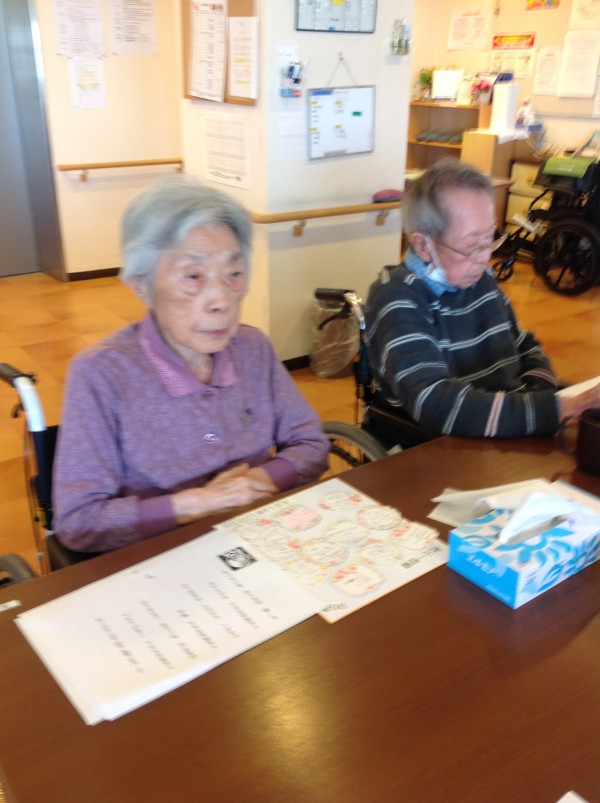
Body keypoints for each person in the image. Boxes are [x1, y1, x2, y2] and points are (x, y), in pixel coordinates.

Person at [53, 175, 329, 552]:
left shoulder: (252, 348)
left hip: (259, 541)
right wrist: (195, 504)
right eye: (193, 277)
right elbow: (79, 521)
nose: (221, 300)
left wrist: (256, 482)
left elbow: (311, 443)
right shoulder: (101, 373)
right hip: (160, 561)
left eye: (234, 274)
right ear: (141, 285)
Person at [365, 158, 600, 439]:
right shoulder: (396, 297)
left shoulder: (479, 278)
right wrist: (555, 410)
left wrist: (538, 397)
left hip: (503, 427)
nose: (485, 257)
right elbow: (434, 401)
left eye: (490, 240)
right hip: (439, 444)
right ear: (423, 246)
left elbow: (523, 345)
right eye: (472, 246)